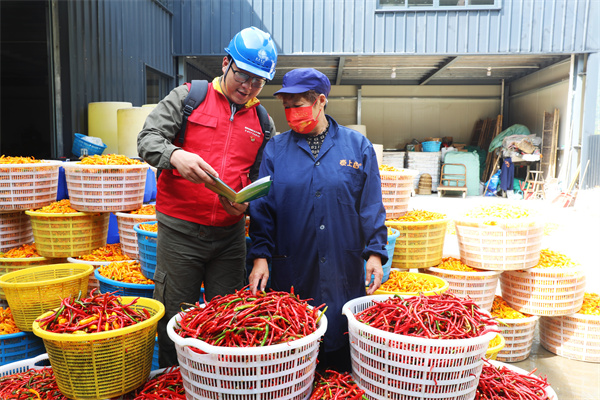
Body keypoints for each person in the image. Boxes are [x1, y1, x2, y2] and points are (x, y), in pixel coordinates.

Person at [137, 26, 277, 368]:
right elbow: (147, 139)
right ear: (226, 63)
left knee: (228, 319)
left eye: (257, 81)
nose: (247, 87)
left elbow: (263, 180)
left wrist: (247, 204)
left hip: (229, 238)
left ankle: (218, 379)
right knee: (175, 316)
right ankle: (173, 377)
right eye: (242, 75)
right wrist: (175, 156)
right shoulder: (189, 97)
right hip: (180, 233)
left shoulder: (262, 122)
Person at [247, 68, 388, 372]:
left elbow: (371, 204)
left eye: (298, 105)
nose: (290, 113)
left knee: (340, 351)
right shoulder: (275, 150)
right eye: (286, 106)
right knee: (294, 343)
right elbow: (262, 208)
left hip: (342, 265)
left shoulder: (357, 146)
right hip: (292, 263)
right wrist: (260, 256)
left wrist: (375, 252)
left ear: (321, 101)